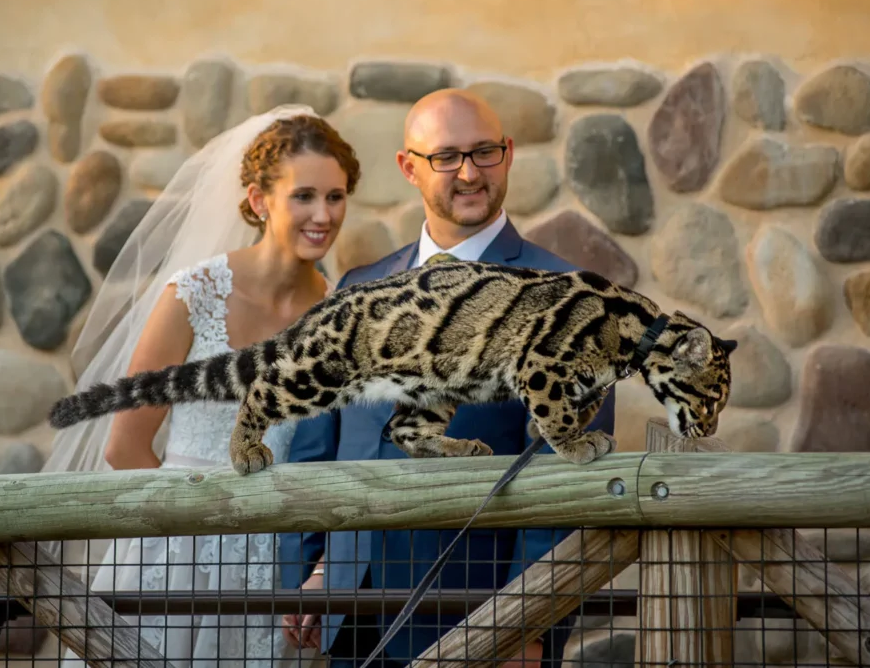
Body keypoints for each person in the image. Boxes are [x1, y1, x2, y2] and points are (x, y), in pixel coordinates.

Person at [278, 89, 616, 668]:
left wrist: (525, 628)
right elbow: (316, 447)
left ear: (508, 155)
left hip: (476, 619)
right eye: (446, 156)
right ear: (409, 167)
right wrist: (304, 572)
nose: (468, 173)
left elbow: (565, 485)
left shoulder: (570, 297)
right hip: (346, 617)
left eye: (484, 152)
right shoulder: (360, 285)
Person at [42, 104, 361, 668]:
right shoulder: (194, 294)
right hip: (176, 549)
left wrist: (310, 567)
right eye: (304, 196)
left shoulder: (340, 312)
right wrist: (194, 530)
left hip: (278, 564)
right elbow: (124, 448)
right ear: (260, 200)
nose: (324, 214)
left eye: (335, 196)